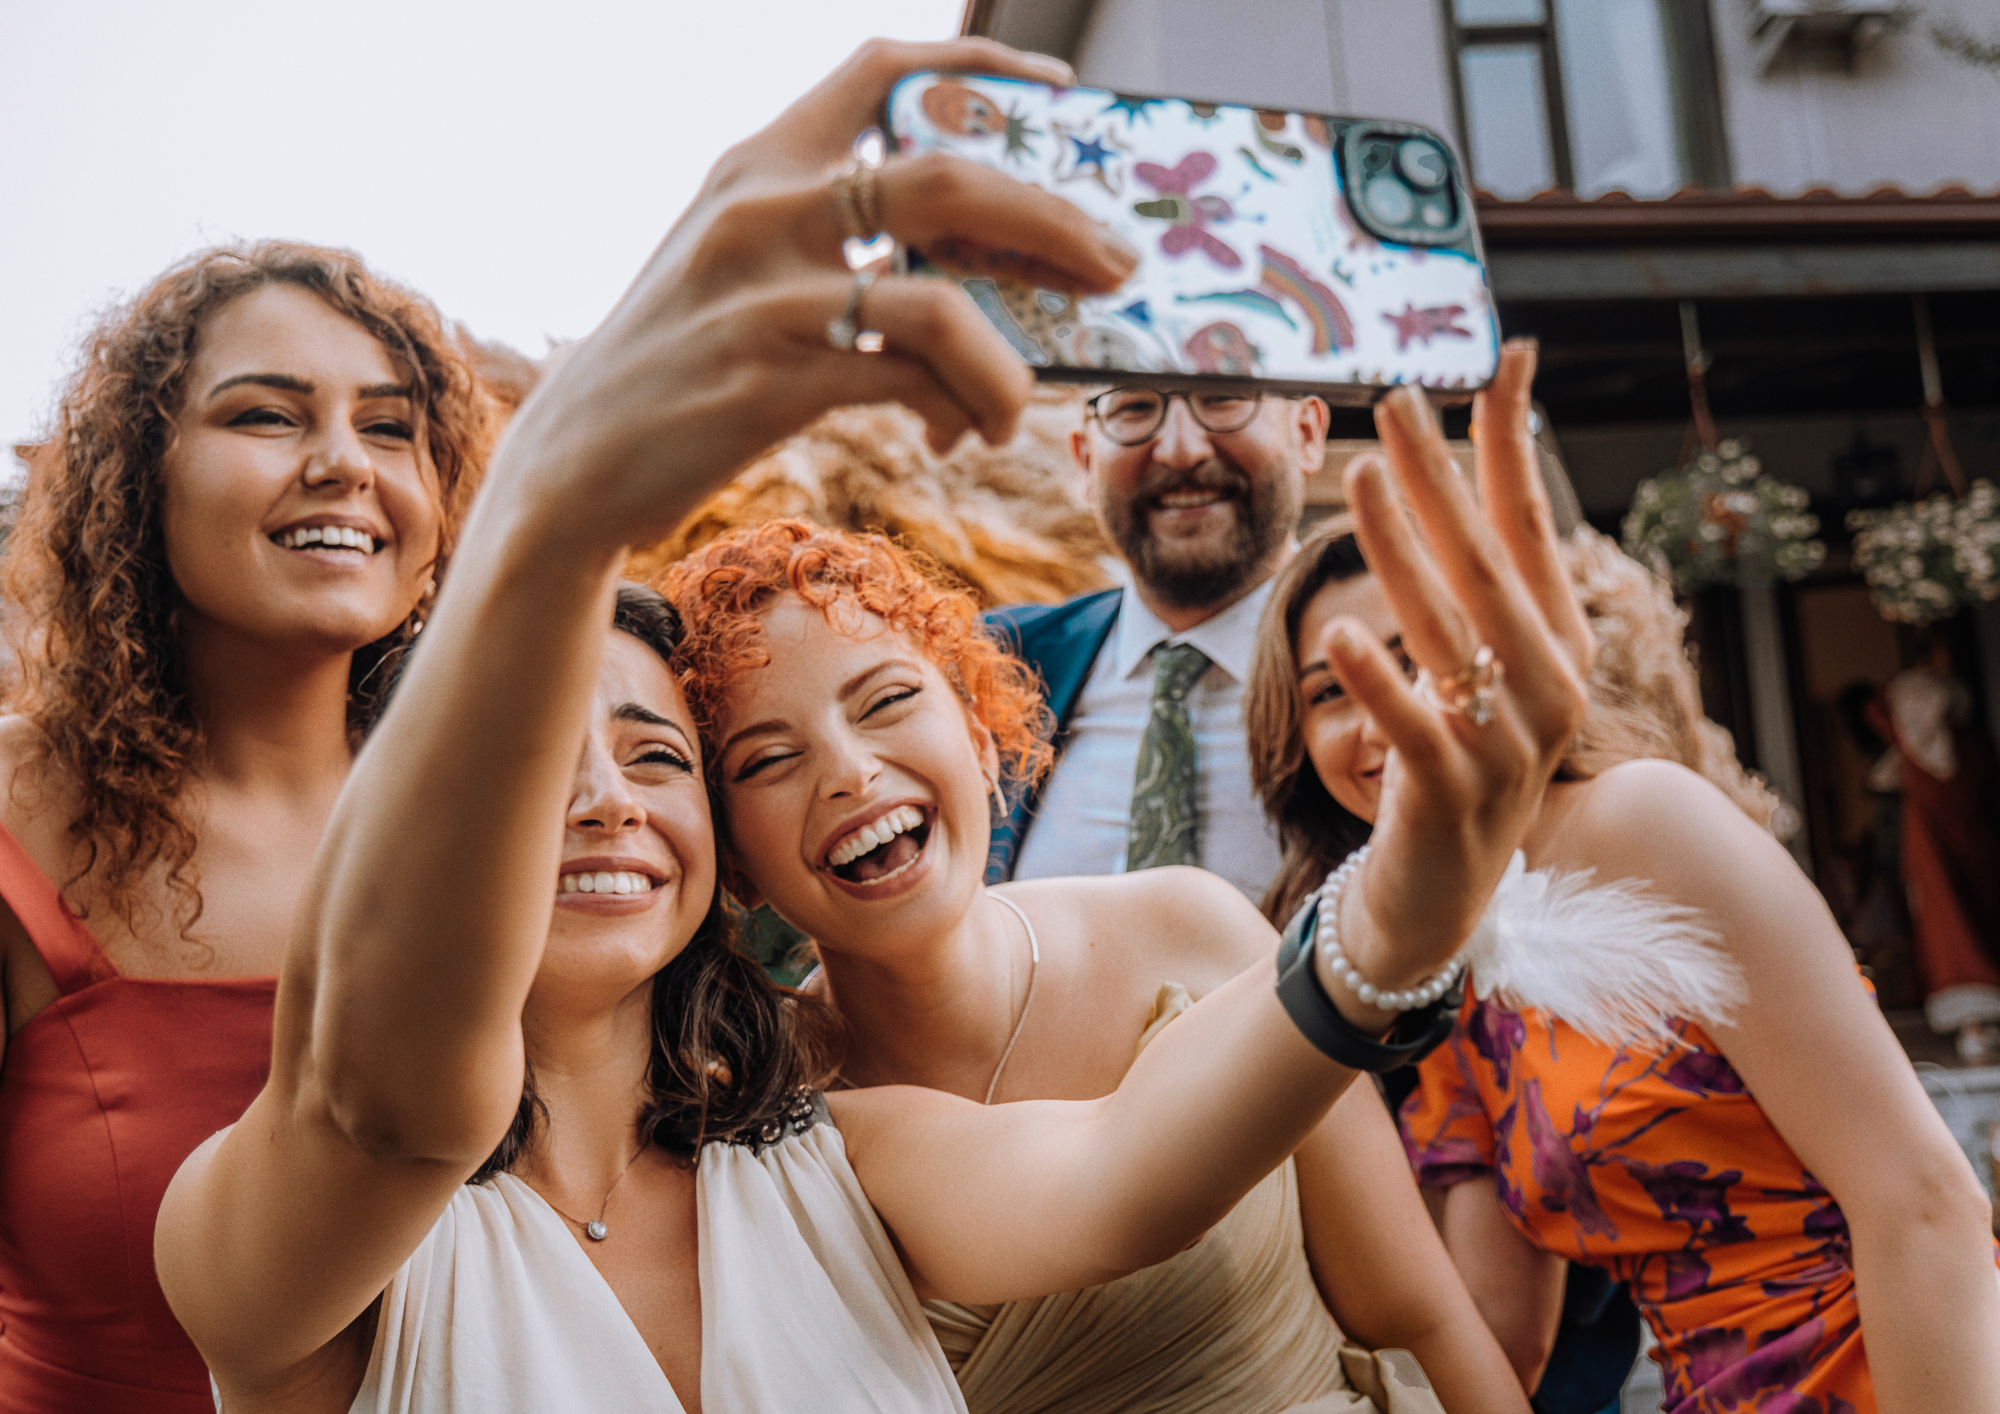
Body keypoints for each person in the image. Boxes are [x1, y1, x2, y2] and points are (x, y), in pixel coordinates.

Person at [155, 36, 1593, 1414]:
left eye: (657, 756)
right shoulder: (263, 1231)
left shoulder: (829, 1158)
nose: (601, 797)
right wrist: (556, 504)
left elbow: (1125, 1168)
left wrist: (1385, 932)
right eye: (535, 763)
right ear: (394, 819)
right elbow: (386, 1110)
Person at [664, 486, 1542, 1410]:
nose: (849, 771)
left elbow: (1421, 1321)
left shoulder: (1188, 928)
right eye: (766, 759)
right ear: (736, 860)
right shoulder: (759, 1122)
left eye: (885, 700)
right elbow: (1109, 1181)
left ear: (975, 729)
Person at [1244, 448, 2000, 1414]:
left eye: (1411, 660)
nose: (1378, 717)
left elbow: (1926, 1203)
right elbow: (1492, 1337)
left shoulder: (1644, 820)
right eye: (1330, 691)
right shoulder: (1442, 970)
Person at [0, 242, 487, 1413]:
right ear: (137, 480)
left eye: (389, 428)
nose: (341, 465)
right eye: (267, 416)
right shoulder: (12, 819)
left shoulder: (502, 822)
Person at [982, 378, 1329, 897]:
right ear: (1084, 459)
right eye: (1135, 407)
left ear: (1306, 433)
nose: (1181, 450)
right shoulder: (990, 666)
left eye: (1222, 396)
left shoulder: (1395, 669)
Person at [1871, 638, 2000, 1061]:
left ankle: (1976, 1023)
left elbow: (1876, 711)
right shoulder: (1967, 746)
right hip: (1973, 850)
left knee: (1951, 930)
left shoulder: (1924, 756)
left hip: (1938, 856)